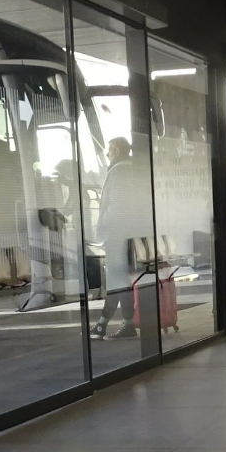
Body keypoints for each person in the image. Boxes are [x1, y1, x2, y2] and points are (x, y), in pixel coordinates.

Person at [92, 136, 151, 339]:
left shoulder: (119, 172)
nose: (107, 154)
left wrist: (105, 228)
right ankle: (106, 323)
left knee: (117, 279)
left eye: (109, 150)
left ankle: (121, 323)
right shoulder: (132, 170)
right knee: (119, 279)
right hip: (128, 233)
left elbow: (117, 205)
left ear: (117, 150)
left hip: (117, 234)